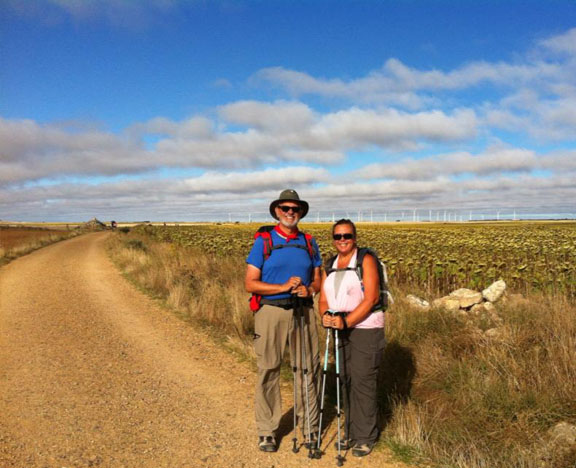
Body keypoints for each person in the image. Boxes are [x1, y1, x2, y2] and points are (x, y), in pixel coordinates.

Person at [245, 189, 322, 453]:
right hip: (271, 312)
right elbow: (250, 282)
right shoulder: (264, 241)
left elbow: (317, 278)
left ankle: (310, 427)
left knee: (307, 369)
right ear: (277, 211)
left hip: (304, 311)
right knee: (269, 368)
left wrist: (309, 290)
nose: (290, 213)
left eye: (295, 209)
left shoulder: (309, 242)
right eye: (285, 208)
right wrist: (281, 286)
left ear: (300, 212)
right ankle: (267, 430)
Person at [318, 219, 385, 457]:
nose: (342, 240)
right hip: (340, 328)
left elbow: (372, 298)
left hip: (366, 328)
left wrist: (347, 321)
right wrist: (325, 316)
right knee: (344, 379)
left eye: (347, 235)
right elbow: (324, 298)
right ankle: (351, 431)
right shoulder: (331, 264)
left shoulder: (365, 259)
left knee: (363, 381)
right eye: (338, 236)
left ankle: (365, 437)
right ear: (333, 239)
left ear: (355, 237)